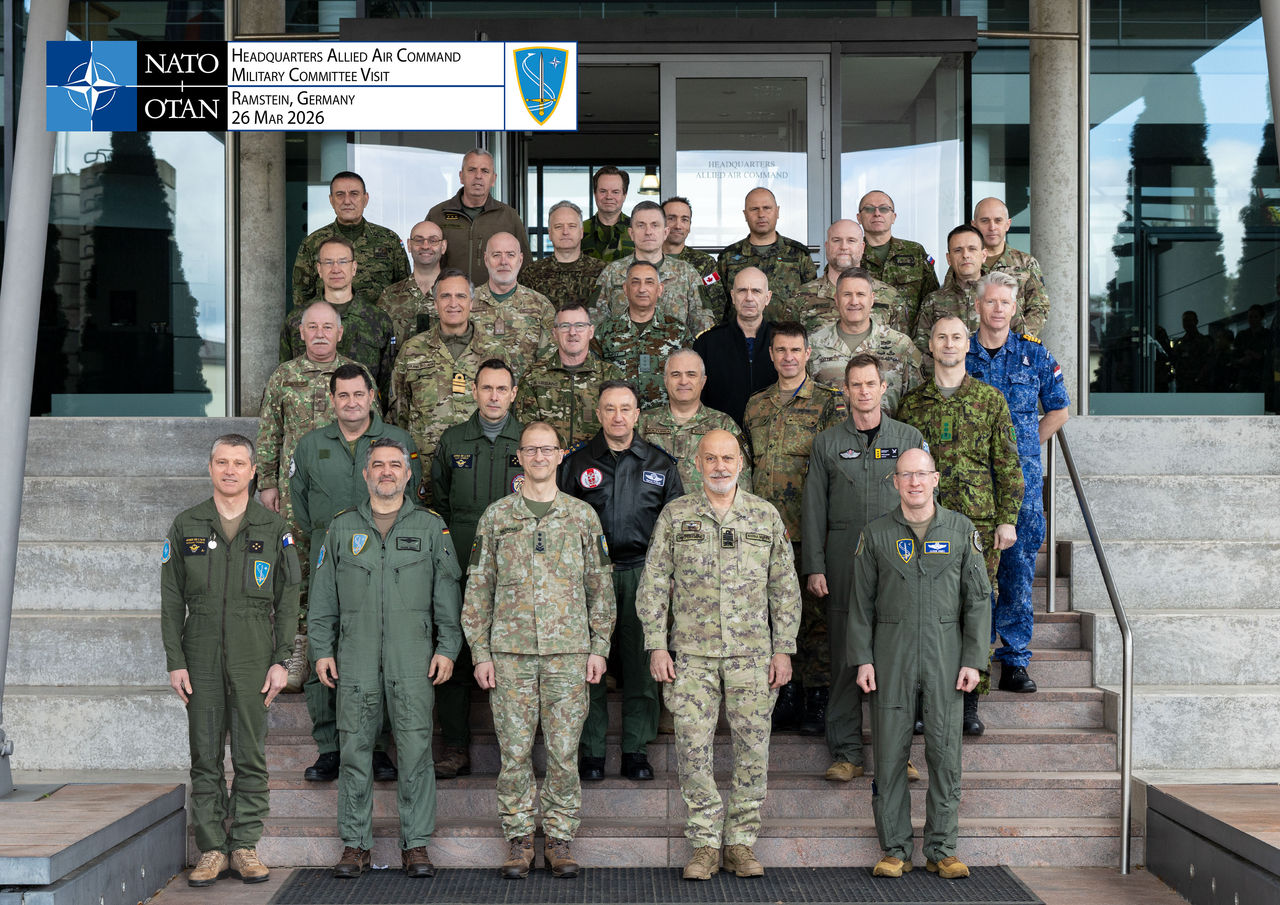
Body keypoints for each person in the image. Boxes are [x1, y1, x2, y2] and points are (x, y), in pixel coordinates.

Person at [636, 429, 800, 880]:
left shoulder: (764, 516)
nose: (720, 467)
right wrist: (655, 643)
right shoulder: (676, 515)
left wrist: (784, 649)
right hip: (690, 654)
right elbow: (653, 584)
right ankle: (705, 844)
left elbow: (784, 589)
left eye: (728, 458)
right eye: (711, 459)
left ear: (741, 463)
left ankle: (741, 843)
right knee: (692, 748)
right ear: (697, 463)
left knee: (753, 749)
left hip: (752, 655)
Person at [462, 421, 616, 879]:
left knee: (565, 752)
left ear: (561, 454)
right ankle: (519, 838)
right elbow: (479, 588)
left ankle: (561, 838)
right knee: (513, 752)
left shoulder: (581, 516)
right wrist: (480, 652)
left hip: (569, 653)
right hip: (509, 654)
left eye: (548, 449)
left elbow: (600, 587)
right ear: (520, 457)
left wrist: (599, 646)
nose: (540, 457)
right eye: (531, 450)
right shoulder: (497, 517)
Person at [308, 438, 462, 880]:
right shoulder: (341, 529)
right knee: (354, 751)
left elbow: (447, 594)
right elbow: (322, 600)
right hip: (354, 659)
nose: (387, 472)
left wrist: (447, 647)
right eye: (379, 465)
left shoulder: (432, 527)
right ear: (365, 473)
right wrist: (321, 650)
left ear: (409, 474)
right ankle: (355, 845)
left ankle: (415, 846)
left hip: (413, 658)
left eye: (396, 465)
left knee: (415, 752)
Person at [161, 434, 301, 887]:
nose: (230, 470)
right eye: (222, 462)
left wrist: (282, 659)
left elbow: (289, 595)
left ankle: (244, 845)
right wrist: (175, 659)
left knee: (250, 754)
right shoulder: (187, 524)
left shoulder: (273, 526)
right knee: (204, 753)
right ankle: (211, 850)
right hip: (199, 649)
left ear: (253, 471)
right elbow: (170, 599)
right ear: (210, 468)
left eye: (239, 463)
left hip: (253, 650)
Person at [852, 448, 991, 880]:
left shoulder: (960, 530)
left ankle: (942, 849)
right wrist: (863, 659)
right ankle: (894, 849)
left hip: (945, 658)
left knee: (945, 757)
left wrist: (974, 659)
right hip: (891, 659)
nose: (914, 482)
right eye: (905, 475)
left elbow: (979, 601)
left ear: (936, 480)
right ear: (895, 482)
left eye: (922, 474)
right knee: (890, 757)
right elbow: (860, 606)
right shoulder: (875, 535)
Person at [288, 364, 420, 780]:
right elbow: (300, 508)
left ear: (372, 396)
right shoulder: (310, 446)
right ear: (332, 400)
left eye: (357, 395)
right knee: (322, 649)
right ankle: (329, 748)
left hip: (384, 564)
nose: (351, 403)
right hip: (327, 564)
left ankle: (378, 749)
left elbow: (411, 503)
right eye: (342, 396)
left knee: (379, 653)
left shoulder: (397, 442)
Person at [897, 316, 1024, 735]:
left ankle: (968, 701)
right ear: (930, 346)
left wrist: (1007, 519)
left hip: (977, 526)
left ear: (967, 345)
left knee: (975, 607)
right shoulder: (913, 404)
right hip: (922, 525)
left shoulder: (990, 400)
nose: (949, 344)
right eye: (941, 337)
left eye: (956, 337)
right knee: (921, 608)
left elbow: (1008, 464)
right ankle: (921, 699)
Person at [800, 354, 925, 781]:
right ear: (847, 391)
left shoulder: (909, 438)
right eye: (856, 385)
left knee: (895, 665)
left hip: (899, 566)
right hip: (842, 564)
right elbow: (813, 508)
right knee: (845, 662)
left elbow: (924, 499)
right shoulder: (827, 443)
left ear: (883, 387)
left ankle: (898, 753)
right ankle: (847, 753)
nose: (864, 391)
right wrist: (814, 565)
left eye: (871, 383)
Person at [559, 381, 683, 782]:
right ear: (598, 414)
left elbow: (676, 528)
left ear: (637, 415)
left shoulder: (660, 464)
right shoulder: (576, 464)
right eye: (609, 408)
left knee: (640, 665)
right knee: (588, 666)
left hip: (641, 573)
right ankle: (592, 751)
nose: (617, 416)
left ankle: (635, 749)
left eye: (625, 409)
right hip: (588, 574)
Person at [966, 273, 1070, 693]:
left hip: (1021, 485)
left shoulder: (1035, 355)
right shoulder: (960, 353)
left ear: (1014, 308)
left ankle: (1013, 659)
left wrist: (1020, 448)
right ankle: (972, 655)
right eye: (990, 302)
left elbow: (1058, 410)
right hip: (969, 481)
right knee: (969, 571)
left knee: (1018, 568)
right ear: (978, 306)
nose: (996, 309)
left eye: (1004, 303)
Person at [742, 321, 843, 731]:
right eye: (780, 350)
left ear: (807, 354)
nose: (787, 357)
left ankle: (815, 698)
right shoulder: (756, 405)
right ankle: (782, 694)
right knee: (770, 616)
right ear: (771, 354)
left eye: (795, 350)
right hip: (763, 534)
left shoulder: (828, 403)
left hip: (808, 530)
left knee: (814, 619)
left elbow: (836, 469)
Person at [430, 358, 526, 781]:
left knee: (509, 660)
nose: (493, 396)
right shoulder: (453, 440)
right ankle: (454, 747)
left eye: (501, 389)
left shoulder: (527, 441)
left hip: (516, 573)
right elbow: (438, 504)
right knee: (456, 654)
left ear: (513, 394)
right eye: (486, 388)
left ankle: (515, 751)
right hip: (460, 566)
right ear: (474, 391)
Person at [257, 301, 365, 563]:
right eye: (312, 327)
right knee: (294, 559)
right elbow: (269, 434)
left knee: (349, 554)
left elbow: (374, 434)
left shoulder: (357, 377)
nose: (320, 333)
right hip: (294, 486)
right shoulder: (283, 376)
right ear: (301, 332)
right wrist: (267, 483)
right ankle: (299, 607)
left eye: (328, 327)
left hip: (344, 484)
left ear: (339, 333)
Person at [389, 270, 505, 478]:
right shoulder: (412, 350)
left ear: (471, 302)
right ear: (435, 303)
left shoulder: (493, 351)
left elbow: (506, 409)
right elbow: (399, 412)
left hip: (480, 467)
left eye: (460, 296)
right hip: (424, 469)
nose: (453, 303)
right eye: (445, 296)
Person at [280, 236, 397, 405]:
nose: (335, 269)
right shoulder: (297, 319)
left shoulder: (378, 321)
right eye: (328, 262)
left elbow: (387, 385)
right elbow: (283, 378)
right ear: (319, 269)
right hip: (307, 420)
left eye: (343, 262)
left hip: (360, 421)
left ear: (354, 268)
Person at [806, 267, 922, 413]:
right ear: (836, 299)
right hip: (830, 434)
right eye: (847, 294)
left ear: (872, 299)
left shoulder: (900, 346)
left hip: (887, 434)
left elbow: (917, 404)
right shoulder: (813, 346)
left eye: (861, 294)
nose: (854, 301)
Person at [514, 301, 623, 453]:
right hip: (548, 466)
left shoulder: (611, 376)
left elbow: (623, 427)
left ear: (591, 331)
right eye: (565, 326)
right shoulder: (533, 377)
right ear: (554, 333)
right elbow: (525, 432)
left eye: (580, 325)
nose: (572, 332)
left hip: (598, 468)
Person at [638, 348, 751, 493]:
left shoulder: (724, 425)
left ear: (703, 381)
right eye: (675, 374)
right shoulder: (643, 423)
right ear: (665, 381)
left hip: (707, 514)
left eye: (691, 374)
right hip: (654, 513)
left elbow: (743, 484)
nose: (683, 381)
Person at [592, 200, 713, 334]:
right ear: (631, 233)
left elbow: (704, 326)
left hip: (675, 352)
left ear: (665, 232)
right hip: (621, 352)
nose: (648, 232)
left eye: (655, 225)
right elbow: (594, 324)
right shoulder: (612, 273)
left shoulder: (688, 273)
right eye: (641, 225)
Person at [291, 171, 409, 309]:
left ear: (365, 199)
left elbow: (403, 291)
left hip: (377, 327)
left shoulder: (389, 240)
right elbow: (301, 297)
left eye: (354, 194)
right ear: (331, 200)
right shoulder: (312, 243)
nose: (347, 201)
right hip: (328, 327)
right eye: (340, 194)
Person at [945, 198, 1049, 336]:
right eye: (985, 221)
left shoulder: (1026, 263)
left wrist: (1019, 339)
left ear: (1007, 224)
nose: (992, 227)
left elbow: (1039, 307)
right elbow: (947, 302)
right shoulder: (963, 264)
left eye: (998, 220)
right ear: (974, 224)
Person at [915, 224, 1017, 364]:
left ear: (983, 255)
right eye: (958, 250)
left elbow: (1020, 343)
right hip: (949, 382)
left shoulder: (1003, 296)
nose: (965, 255)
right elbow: (922, 351)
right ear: (949, 258)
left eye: (972, 249)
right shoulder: (933, 302)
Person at [426, 147, 530, 284]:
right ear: (461, 176)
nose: (478, 176)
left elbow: (526, 266)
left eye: (485, 171)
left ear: (493, 179)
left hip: (496, 301)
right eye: (472, 170)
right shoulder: (438, 214)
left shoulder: (509, 217)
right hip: (451, 300)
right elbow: (424, 262)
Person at [789, 219, 912, 333]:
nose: (843, 247)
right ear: (827, 246)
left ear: (862, 247)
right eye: (836, 240)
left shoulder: (890, 297)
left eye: (851, 241)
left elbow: (901, 350)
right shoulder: (800, 298)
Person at [596, 260, 691, 405]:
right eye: (635, 282)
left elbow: (691, 378)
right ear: (625, 289)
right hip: (620, 419)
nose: (642, 289)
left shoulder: (678, 331)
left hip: (664, 421)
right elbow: (594, 377)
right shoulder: (605, 332)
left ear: (660, 289)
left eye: (649, 282)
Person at [692, 267, 778, 427]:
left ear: (768, 297)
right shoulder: (708, 343)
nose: (749, 298)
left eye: (757, 291)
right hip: (721, 437)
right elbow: (695, 399)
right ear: (732, 296)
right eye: (742, 291)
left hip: (773, 438)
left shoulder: (782, 340)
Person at [716, 187, 816, 321]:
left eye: (767, 208)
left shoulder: (798, 255)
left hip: (786, 338)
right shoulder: (728, 257)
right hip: (739, 338)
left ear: (777, 211)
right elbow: (718, 304)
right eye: (754, 209)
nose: (761, 214)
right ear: (745, 214)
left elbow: (812, 301)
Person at [470, 231, 556, 377]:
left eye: (510, 255)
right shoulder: (467, 303)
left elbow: (550, 357)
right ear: (486, 259)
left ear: (520, 259)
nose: (503, 261)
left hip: (526, 394)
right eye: (496, 255)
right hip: (476, 395)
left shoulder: (541, 305)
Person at [856, 189, 940, 322]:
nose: (877, 213)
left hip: (908, 338)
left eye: (884, 209)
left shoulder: (915, 252)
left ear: (893, 217)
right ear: (859, 218)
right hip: (864, 338)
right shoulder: (851, 253)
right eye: (869, 209)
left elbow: (932, 300)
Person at [520, 200, 606, 310]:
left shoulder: (602, 271)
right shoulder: (531, 274)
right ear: (550, 233)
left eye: (572, 226)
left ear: (581, 232)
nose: (565, 232)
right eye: (558, 226)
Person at [376, 220, 445, 347]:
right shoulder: (390, 296)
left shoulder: (457, 294)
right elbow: (380, 346)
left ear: (443, 246)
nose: (425, 246)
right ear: (409, 245)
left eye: (433, 240)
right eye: (418, 240)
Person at [663, 195, 729, 318]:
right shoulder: (646, 260)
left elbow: (717, 305)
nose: (678, 225)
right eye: (671, 218)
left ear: (689, 226)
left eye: (684, 219)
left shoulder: (705, 263)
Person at [581, 165, 633, 262]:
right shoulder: (579, 230)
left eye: (615, 192)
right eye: (603, 191)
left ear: (624, 195)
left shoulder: (637, 229)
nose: (609, 197)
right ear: (595, 194)